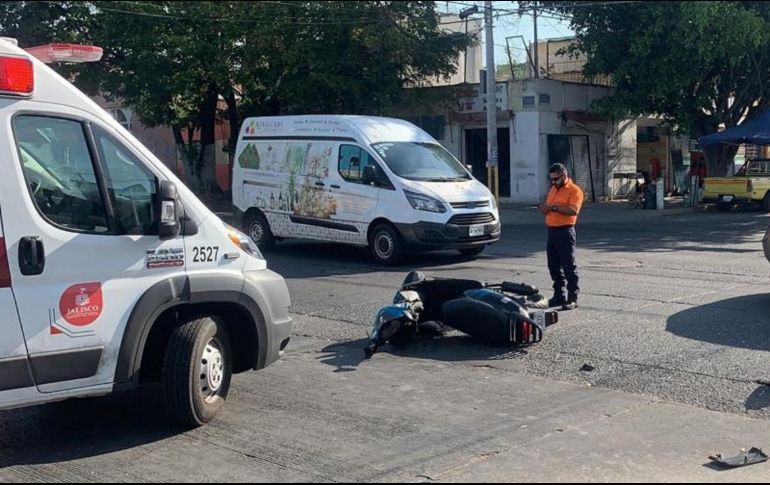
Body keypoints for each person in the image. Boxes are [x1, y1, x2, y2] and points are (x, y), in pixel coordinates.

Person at [538, 163, 585, 310]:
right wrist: (544, 209)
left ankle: (572, 297)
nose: (553, 182)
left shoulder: (574, 191)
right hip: (551, 230)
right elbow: (549, 205)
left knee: (568, 265)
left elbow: (573, 210)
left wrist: (553, 207)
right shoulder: (553, 189)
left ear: (564, 176)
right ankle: (559, 296)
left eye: (556, 179)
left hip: (565, 231)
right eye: (551, 179)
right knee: (553, 265)